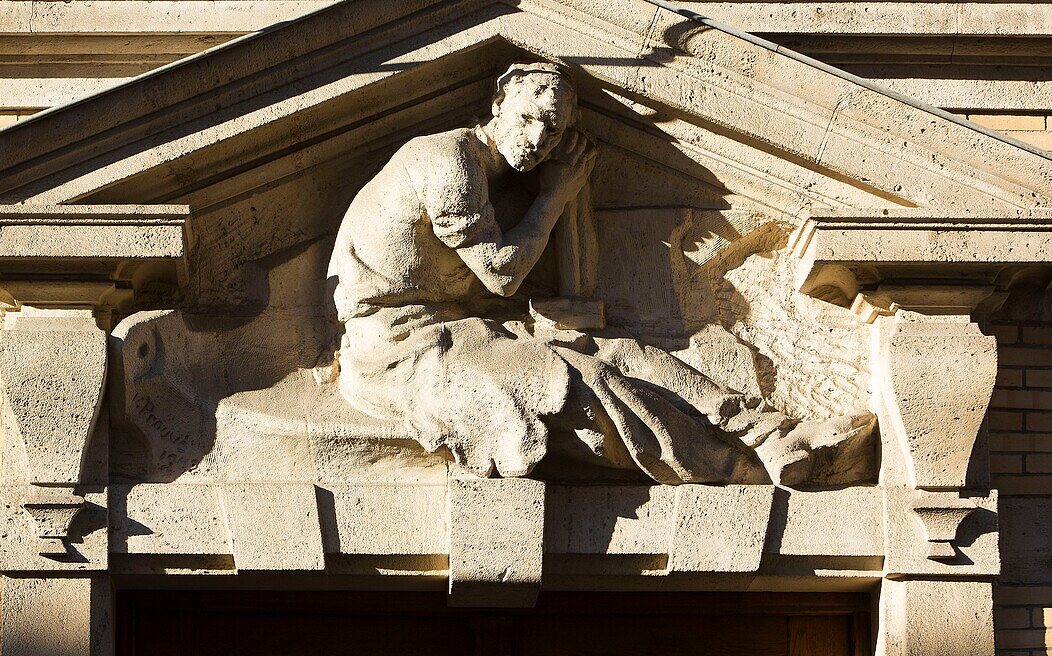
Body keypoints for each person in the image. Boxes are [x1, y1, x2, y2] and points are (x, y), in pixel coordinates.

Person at [327, 62, 875, 485]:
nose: (538, 139)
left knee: (617, 350)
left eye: (553, 128)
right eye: (528, 119)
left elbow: (536, 281)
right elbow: (500, 273)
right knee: (581, 383)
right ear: (498, 102)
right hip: (397, 348)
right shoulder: (447, 162)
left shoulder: (492, 175)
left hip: (458, 327)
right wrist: (557, 194)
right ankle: (732, 467)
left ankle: (768, 432)